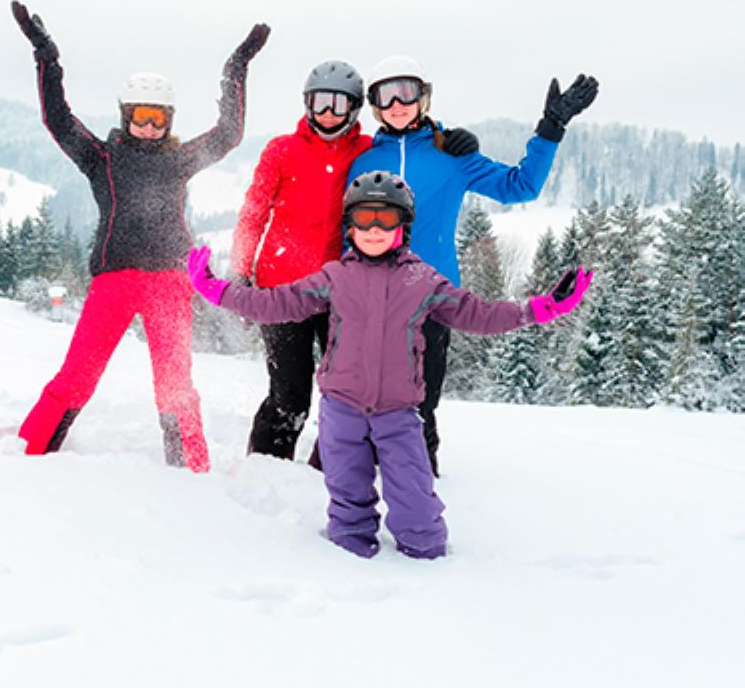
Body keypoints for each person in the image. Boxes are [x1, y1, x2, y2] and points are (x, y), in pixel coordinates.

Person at [188, 171, 592, 557]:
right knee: (348, 505)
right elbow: (273, 304)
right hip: (341, 410)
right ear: (350, 225)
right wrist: (215, 288)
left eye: (386, 218)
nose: (375, 228)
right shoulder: (333, 277)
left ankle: (428, 566)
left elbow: (481, 314)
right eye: (365, 218)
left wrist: (543, 308)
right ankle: (351, 569)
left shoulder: (424, 281)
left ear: (404, 226)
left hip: (398, 414)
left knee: (416, 506)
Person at [11, 0, 269, 473]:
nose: (148, 127)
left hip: (169, 282)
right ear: (126, 114)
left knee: (175, 384)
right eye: (140, 116)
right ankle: (28, 456)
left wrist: (236, 69)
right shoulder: (101, 158)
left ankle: (191, 471)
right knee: (77, 376)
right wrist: (46, 56)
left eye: (158, 118)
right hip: (113, 281)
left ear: (169, 120)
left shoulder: (180, 159)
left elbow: (229, 134)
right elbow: (58, 120)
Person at [347, 55, 598, 476]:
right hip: (368, 301)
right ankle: (350, 478)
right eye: (384, 95)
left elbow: (522, 186)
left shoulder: (452, 156)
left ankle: (420, 483)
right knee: (357, 398)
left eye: (405, 91)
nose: (396, 103)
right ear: (373, 104)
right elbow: (343, 231)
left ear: (422, 96)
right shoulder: (363, 162)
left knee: (420, 403)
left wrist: (551, 127)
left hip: (431, 298)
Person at [230, 61, 479, 463]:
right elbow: (253, 212)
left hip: (342, 294)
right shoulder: (282, 150)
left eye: (340, 104)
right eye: (320, 102)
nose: (329, 113)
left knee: (344, 393)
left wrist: (446, 136)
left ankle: (327, 468)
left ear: (356, 109)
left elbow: (408, 148)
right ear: (307, 104)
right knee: (289, 394)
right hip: (283, 287)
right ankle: (266, 468)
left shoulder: (365, 152)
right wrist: (240, 271)